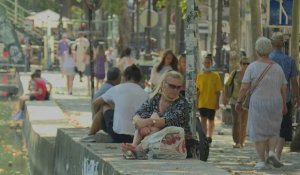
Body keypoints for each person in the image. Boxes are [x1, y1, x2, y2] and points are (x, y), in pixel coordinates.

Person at [235, 37, 287, 170]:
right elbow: (284, 87)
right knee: (273, 130)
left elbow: (244, 87)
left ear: (257, 50)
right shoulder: (277, 68)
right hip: (276, 102)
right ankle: (271, 152)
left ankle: (261, 161)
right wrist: (284, 104)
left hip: (258, 103)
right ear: (270, 50)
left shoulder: (252, 67)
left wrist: (239, 101)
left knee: (259, 132)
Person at [120, 71, 190, 158]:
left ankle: (137, 148)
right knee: (152, 117)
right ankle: (135, 146)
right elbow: (138, 114)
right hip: (154, 138)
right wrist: (141, 124)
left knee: (155, 119)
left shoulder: (182, 103)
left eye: (178, 87)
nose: (175, 90)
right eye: (172, 86)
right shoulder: (156, 98)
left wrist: (147, 122)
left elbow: (168, 121)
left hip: (172, 140)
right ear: (163, 84)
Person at [81, 65, 148, 143]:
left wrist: (97, 118)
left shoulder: (117, 88)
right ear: (139, 79)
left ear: (125, 77)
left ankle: (90, 134)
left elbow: (95, 103)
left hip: (118, 135)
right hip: (138, 136)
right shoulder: (145, 94)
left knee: (104, 106)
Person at [269, 33, 300, 160]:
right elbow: (294, 82)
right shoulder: (290, 60)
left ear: (271, 44)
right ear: (283, 45)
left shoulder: (266, 59)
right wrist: (298, 98)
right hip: (284, 99)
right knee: (283, 128)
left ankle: (269, 153)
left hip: (267, 98)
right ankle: (277, 155)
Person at [223, 57, 250, 148]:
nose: (245, 65)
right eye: (243, 63)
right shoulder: (235, 73)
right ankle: (237, 141)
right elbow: (227, 85)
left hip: (246, 101)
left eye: (247, 64)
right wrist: (226, 97)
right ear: (240, 64)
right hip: (234, 100)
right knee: (236, 121)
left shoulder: (250, 74)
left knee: (244, 121)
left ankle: (241, 141)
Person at [196, 54, 223, 145]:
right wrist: (196, 102)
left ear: (211, 63)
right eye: (205, 62)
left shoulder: (215, 76)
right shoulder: (200, 76)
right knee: (203, 120)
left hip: (212, 102)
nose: (207, 64)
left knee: (211, 120)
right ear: (203, 63)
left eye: (209, 63)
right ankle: (204, 137)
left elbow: (218, 91)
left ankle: (210, 137)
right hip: (202, 102)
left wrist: (217, 102)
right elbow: (198, 91)